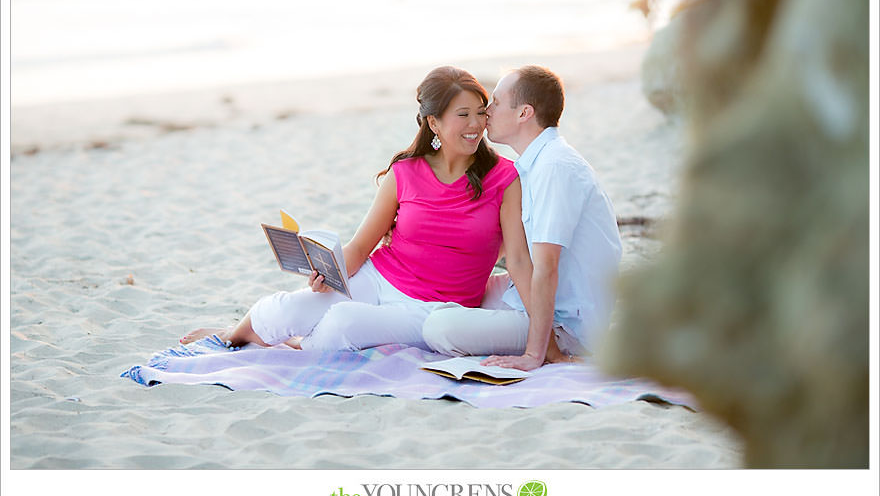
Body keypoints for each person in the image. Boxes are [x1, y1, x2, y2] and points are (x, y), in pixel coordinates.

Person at [180, 66, 533, 352]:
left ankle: (294, 345)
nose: (475, 125)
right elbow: (362, 246)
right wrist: (327, 275)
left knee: (339, 326)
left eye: (479, 113)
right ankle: (233, 334)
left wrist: (541, 338)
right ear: (434, 123)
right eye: (463, 115)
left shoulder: (504, 178)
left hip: (433, 308)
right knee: (287, 309)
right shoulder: (405, 172)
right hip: (378, 278)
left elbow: (516, 259)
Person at [421, 65, 623, 370]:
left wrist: (534, 354)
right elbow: (512, 251)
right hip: (537, 298)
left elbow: (546, 268)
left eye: (497, 103)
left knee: (440, 329)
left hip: (567, 324)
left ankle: (540, 344)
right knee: (455, 293)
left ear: (524, 113)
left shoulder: (554, 167)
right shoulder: (536, 163)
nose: (487, 111)